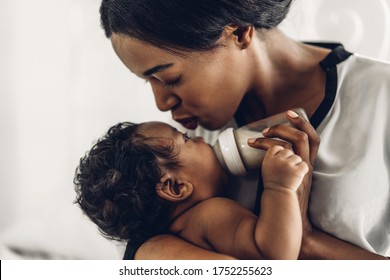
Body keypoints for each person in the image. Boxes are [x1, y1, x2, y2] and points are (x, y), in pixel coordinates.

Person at [98, 0, 390, 259]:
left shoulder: (381, 97)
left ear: (238, 32)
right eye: (147, 80)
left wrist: (309, 242)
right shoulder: (188, 144)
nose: (162, 104)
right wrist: (146, 252)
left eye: (170, 77)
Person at [74, 120, 309, 259]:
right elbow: (275, 256)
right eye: (185, 138)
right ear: (175, 186)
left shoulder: (175, 236)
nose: (198, 138)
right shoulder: (210, 215)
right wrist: (279, 188)